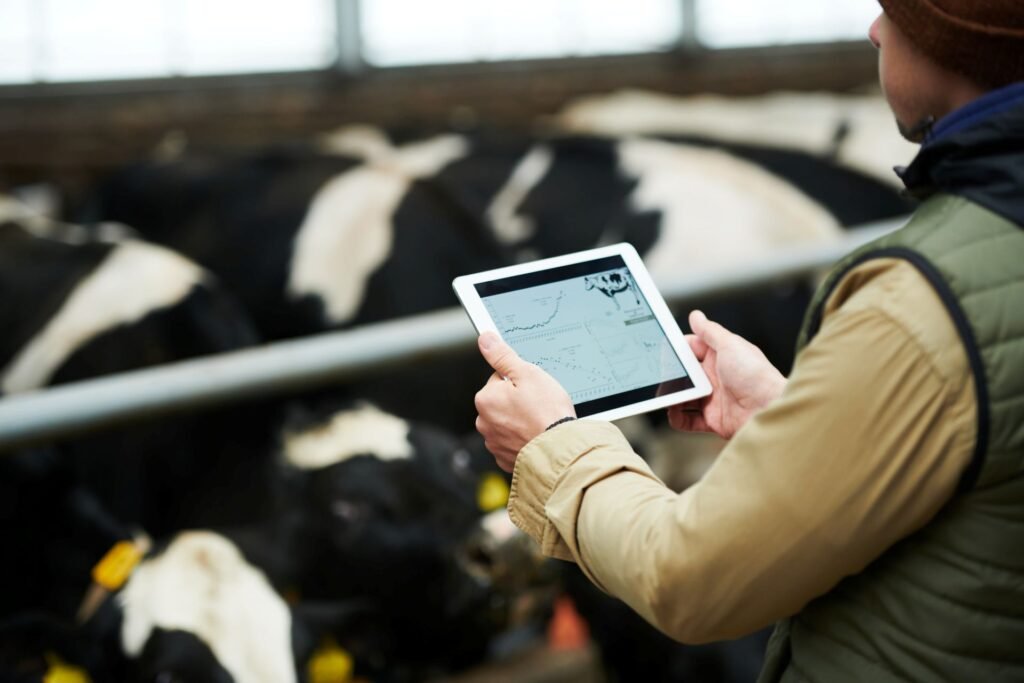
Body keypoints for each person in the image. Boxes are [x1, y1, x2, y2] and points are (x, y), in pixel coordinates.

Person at [472, 1, 1024, 680]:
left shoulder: (918, 303)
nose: (877, 31)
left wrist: (552, 444)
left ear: (956, 45)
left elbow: (691, 578)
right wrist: (793, 413)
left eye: (895, 13)